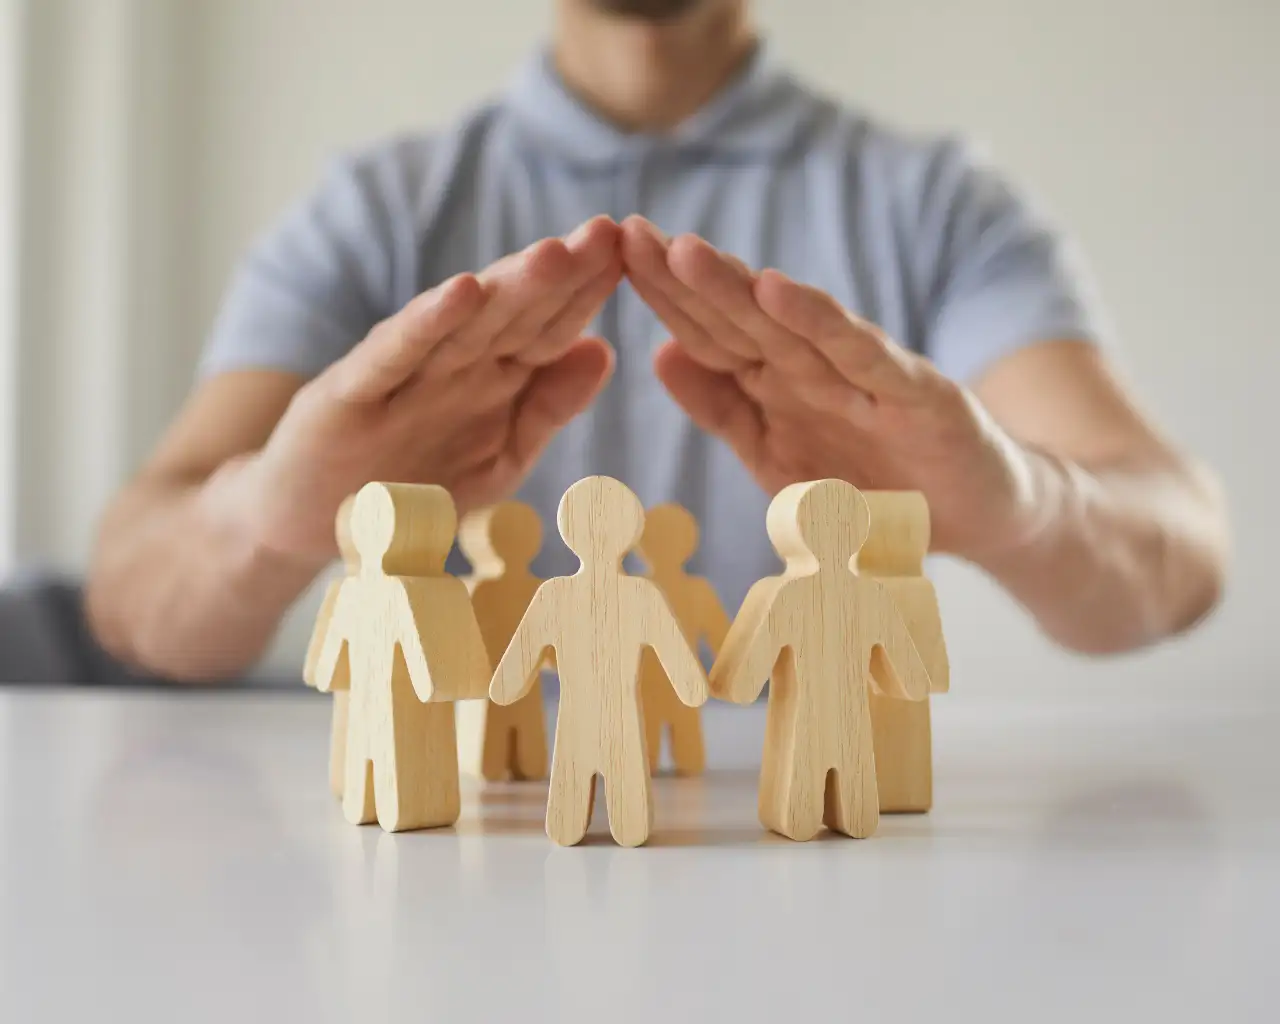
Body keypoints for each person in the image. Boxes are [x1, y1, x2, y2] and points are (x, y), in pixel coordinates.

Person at [84, 0, 1229, 683]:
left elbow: (1179, 551)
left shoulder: (939, 204)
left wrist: (1017, 506)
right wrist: (268, 522)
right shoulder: (372, 210)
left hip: (816, 871)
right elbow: (131, 594)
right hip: (451, 865)